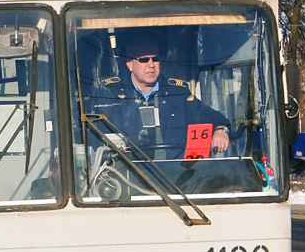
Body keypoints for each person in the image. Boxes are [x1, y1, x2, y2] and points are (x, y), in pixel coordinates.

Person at [94, 35, 231, 160]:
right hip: (129, 174)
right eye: (144, 59)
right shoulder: (110, 94)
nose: (151, 64)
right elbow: (95, 138)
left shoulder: (178, 93)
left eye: (155, 58)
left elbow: (210, 116)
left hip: (174, 178)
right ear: (130, 64)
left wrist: (221, 129)